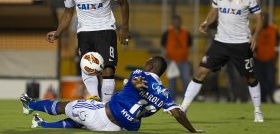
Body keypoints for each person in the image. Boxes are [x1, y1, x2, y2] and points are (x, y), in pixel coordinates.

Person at [20, 56, 204, 133]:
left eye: (146, 62)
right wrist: (193, 131)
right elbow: (178, 113)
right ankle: (41, 123)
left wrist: (140, 87)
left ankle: (30, 105)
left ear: (150, 66)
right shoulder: (165, 93)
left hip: (102, 116)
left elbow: (136, 83)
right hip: (120, 127)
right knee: (81, 118)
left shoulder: (139, 74)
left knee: (64, 106)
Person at [180, 0, 264, 122]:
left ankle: (258, 111)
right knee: (200, 72)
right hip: (220, 42)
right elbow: (213, 12)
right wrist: (206, 22)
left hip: (241, 43)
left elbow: (260, 18)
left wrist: (256, 35)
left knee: (250, 78)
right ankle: (183, 108)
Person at [46, 0, 130, 103]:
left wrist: (124, 28)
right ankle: (94, 100)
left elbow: (124, 3)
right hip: (84, 32)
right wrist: (58, 32)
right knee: (87, 66)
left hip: (105, 29)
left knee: (108, 69)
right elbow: (68, 13)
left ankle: (107, 106)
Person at [161, 14, 192, 100]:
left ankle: (186, 99)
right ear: (172, 22)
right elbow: (163, 44)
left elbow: (189, 44)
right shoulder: (167, 33)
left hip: (183, 60)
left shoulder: (186, 32)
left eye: (178, 21)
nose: (176, 23)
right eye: (175, 21)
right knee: (172, 81)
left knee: (186, 79)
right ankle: (172, 100)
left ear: (180, 22)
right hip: (171, 61)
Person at [254, 12, 279, 103]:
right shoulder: (255, 29)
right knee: (259, 80)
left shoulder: (274, 29)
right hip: (258, 59)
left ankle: (273, 98)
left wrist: (275, 58)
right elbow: (252, 44)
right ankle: (262, 99)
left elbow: (277, 45)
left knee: (270, 80)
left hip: (270, 60)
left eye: (265, 18)